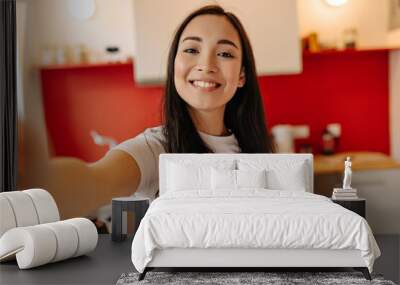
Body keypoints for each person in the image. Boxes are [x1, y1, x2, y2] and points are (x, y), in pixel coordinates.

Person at [47, 5, 274, 218]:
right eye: (192, 49)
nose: (206, 65)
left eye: (225, 54)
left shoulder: (254, 149)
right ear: (174, 65)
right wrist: (37, 177)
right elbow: (94, 181)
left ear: (242, 75)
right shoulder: (155, 148)